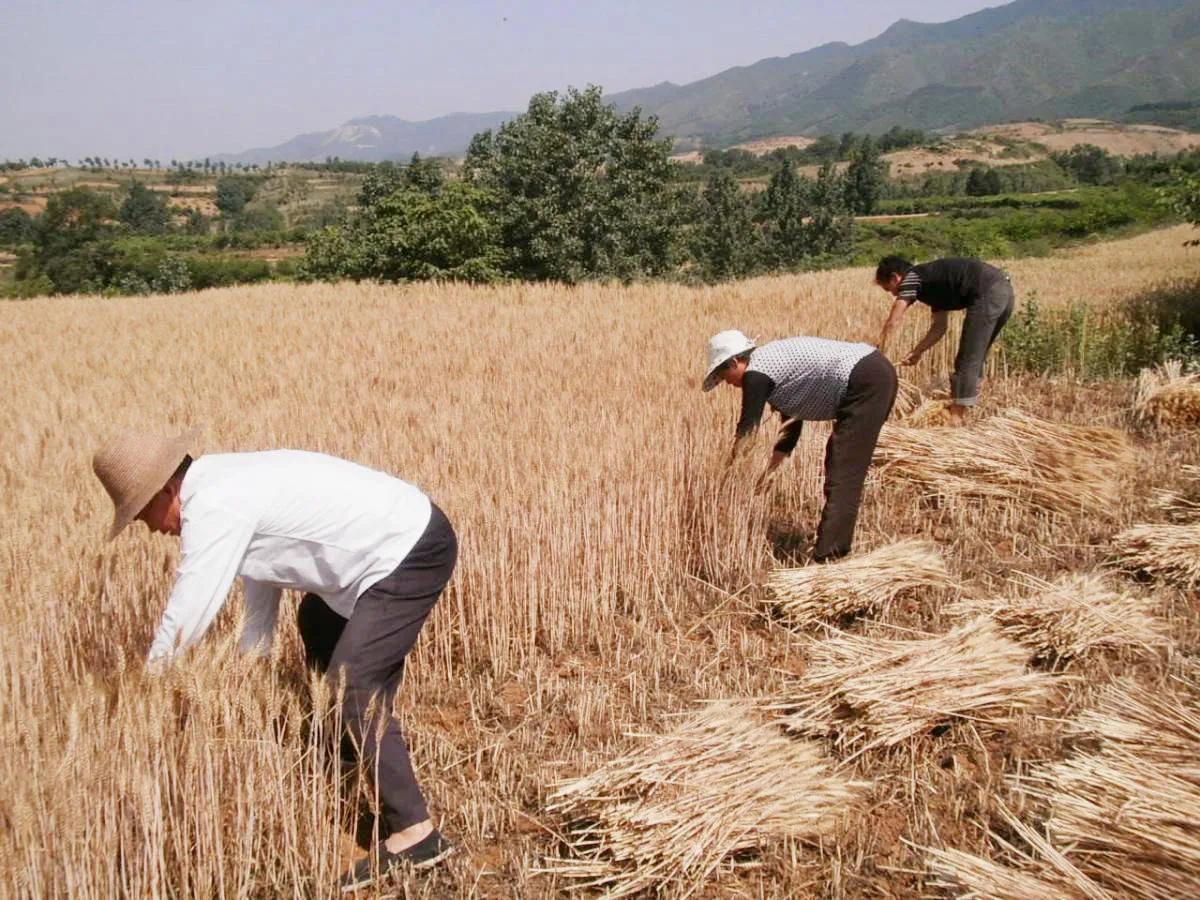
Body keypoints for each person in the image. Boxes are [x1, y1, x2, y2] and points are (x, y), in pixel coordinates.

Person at [91, 429, 457, 891]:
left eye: (144, 514)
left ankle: (416, 834)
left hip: (411, 549)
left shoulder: (215, 505)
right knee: (318, 622)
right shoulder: (224, 484)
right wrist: (253, 668)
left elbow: (188, 611)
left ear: (167, 490)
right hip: (393, 544)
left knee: (355, 683)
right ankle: (351, 752)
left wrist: (142, 693)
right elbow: (261, 581)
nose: (151, 529)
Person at [703, 330, 897, 562]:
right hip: (872, 372)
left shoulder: (756, 374)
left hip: (867, 379)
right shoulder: (773, 370)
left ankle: (830, 555)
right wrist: (769, 473)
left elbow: (747, 430)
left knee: (844, 467)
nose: (726, 383)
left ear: (735, 361)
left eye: (724, 375)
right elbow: (791, 429)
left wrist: (729, 480)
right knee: (840, 460)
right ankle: (832, 548)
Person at [874, 255, 1015, 421]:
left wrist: (878, 353)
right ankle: (965, 413)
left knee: (967, 358)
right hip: (1004, 291)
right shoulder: (933, 285)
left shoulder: (912, 276)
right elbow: (939, 328)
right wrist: (918, 351)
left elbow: (894, 319)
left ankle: (956, 419)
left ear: (895, 277)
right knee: (976, 355)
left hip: (988, 291)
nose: (892, 294)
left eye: (888, 289)